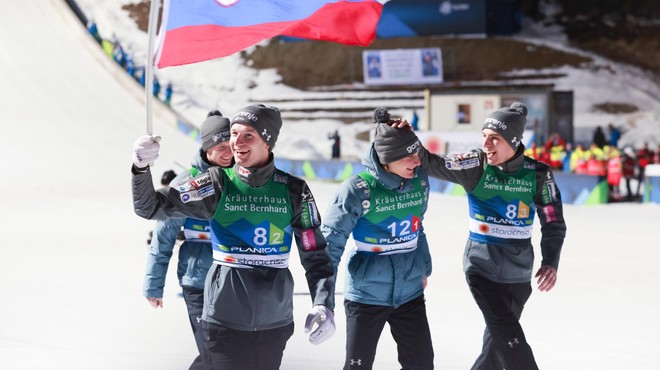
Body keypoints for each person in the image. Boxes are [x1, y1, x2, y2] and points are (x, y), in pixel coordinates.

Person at [131, 104, 336, 370]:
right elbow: (151, 207)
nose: (236, 142)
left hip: (275, 322)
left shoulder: (295, 190)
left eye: (247, 135)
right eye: (234, 133)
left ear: (267, 140)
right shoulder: (216, 183)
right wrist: (140, 168)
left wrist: (323, 303)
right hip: (224, 321)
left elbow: (315, 254)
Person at [415, 102, 567, 370]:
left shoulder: (539, 174)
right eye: (484, 136)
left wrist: (550, 261)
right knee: (507, 334)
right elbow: (431, 163)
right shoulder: (476, 165)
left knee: (497, 345)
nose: (487, 144)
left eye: (494, 138)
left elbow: (553, 223)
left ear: (514, 140)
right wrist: (403, 135)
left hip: (518, 275)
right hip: (480, 268)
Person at [321, 108, 434, 370]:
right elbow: (331, 244)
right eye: (409, 156)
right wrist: (323, 300)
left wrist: (424, 268)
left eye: (417, 154)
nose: (417, 162)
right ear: (387, 158)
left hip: (410, 294)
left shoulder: (419, 182)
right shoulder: (356, 189)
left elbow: (419, 228)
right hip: (366, 295)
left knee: (421, 364)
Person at [143, 111, 233, 370]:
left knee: (225, 354)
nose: (227, 153)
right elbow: (164, 235)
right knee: (212, 353)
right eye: (219, 147)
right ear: (207, 148)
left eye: (230, 146)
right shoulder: (189, 181)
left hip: (234, 279)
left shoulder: (240, 177)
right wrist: (153, 285)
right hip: (197, 280)